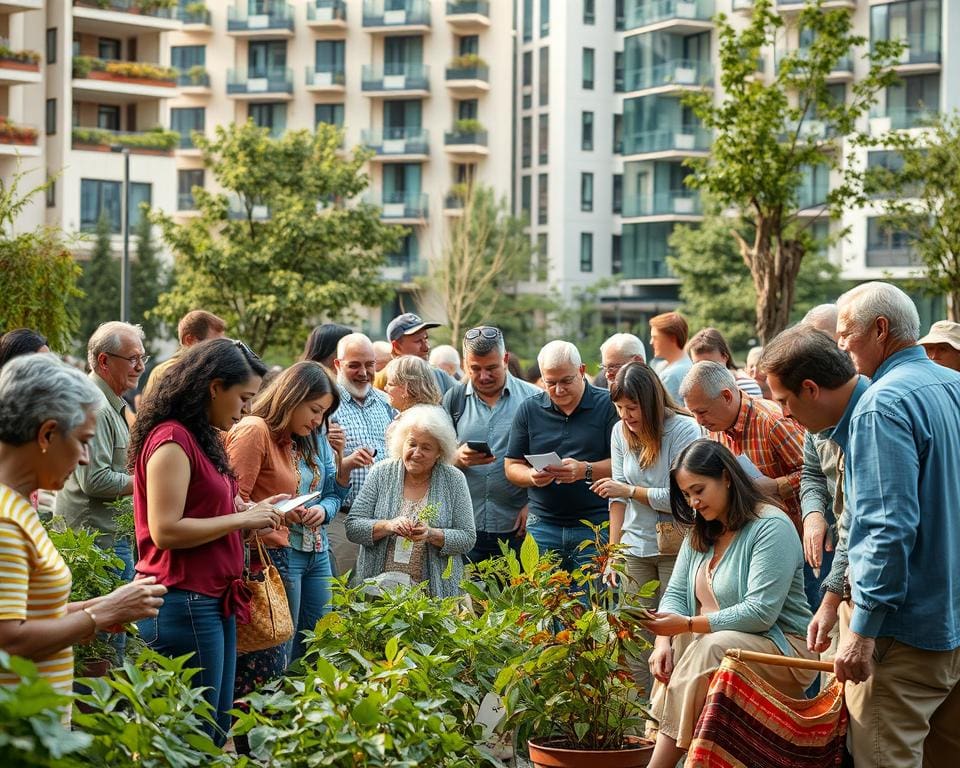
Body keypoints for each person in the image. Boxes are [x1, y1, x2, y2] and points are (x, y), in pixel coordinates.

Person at [129, 338, 287, 744]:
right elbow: (165, 530)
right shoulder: (171, 439)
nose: (247, 410)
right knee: (192, 733)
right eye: (243, 398)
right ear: (214, 387)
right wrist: (241, 517)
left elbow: (215, 511)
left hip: (213, 598)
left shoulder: (204, 437)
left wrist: (256, 514)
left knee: (214, 729)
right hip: (185, 601)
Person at [831, 282, 960, 766]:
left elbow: (887, 527)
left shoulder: (883, 403)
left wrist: (862, 629)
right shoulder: (954, 385)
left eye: (846, 334)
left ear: (880, 330)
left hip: (902, 635)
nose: (841, 346)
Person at [643, 439, 816, 768]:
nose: (693, 502)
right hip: (720, 644)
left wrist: (688, 625)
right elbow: (677, 593)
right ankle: (658, 745)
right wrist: (662, 641)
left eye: (699, 490)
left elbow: (761, 612)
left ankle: (658, 763)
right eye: (686, 495)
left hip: (784, 649)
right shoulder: (703, 528)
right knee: (681, 642)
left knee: (710, 644)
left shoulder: (771, 526)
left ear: (725, 477)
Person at [0, 354, 165, 697]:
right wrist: (101, 613)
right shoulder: (6, 522)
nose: (85, 458)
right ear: (47, 434)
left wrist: (104, 607)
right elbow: (9, 639)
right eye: (83, 441)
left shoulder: (18, 506)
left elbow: (33, 614)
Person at [225, 362, 350, 668]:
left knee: (319, 647)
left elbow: (329, 491)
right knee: (279, 651)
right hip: (274, 554)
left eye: (324, 413)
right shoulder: (255, 431)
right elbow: (230, 503)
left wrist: (318, 508)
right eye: (315, 410)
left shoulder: (305, 436)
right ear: (292, 398)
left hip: (315, 549)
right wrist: (280, 511)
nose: (319, 420)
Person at [758, 326, 869, 664]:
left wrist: (832, 599)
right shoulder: (816, 423)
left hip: (864, 583)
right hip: (844, 568)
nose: (785, 414)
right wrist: (813, 514)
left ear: (810, 389)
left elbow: (864, 519)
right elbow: (811, 472)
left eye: (783, 402)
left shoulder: (873, 421)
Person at [590, 362, 700, 695]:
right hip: (634, 546)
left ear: (650, 403)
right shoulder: (619, 432)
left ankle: (668, 720)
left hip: (675, 547)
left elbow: (685, 498)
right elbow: (616, 499)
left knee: (672, 638)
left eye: (632, 408)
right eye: (620, 408)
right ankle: (638, 724)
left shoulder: (682, 429)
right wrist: (612, 553)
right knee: (634, 639)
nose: (626, 415)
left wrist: (631, 491)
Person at [504, 341, 619, 572]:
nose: (558, 390)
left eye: (566, 381)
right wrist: (531, 476)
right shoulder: (529, 409)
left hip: (595, 524)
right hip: (543, 524)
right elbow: (511, 465)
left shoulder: (609, 405)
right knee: (543, 604)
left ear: (582, 371)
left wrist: (584, 470)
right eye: (550, 383)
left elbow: (626, 464)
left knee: (592, 602)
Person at [345, 405, 476, 597]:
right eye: (412, 444)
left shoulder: (453, 479)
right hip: (379, 591)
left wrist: (431, 534)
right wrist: (388, 526)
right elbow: (353, 527)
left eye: (426, 447)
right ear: (402, 443)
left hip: (435, 593)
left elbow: (467, 538)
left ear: (440, 451)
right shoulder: (381, 473)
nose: (416, 452)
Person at [57, 322, 147, 588]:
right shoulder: (97, 406)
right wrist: (149, 479)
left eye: (143, 358)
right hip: (97, 543)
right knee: (109, 628)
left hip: (107, 539)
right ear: (104, 361)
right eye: (133, 359)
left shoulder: (107, 401)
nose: (140, 367)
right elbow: (94, 480)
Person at [442, 327, 540, 562]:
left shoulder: (534, 400)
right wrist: (456, 458)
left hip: (517, 528)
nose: (484, 376)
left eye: (492, 368)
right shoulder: (453, 401)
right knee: (464, 599)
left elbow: (549, 459)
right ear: (465, 364)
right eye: (475, 369)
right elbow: (435, 460)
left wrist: (535, 506)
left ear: (505, 359)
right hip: (465, 528)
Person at [680, 361, 805, 531]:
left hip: (794, 534)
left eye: (702, 412)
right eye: (693, 413)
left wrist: (777, 486)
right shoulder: (715, 428)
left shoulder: (772, 422)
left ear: (726, 396)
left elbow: (815, 474)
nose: (699, 421)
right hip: (750, 533)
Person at [329, 333, 396, 578]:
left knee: (379, 601)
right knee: (342, 600)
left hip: (384, 522)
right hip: (342, 519)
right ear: (338, 365)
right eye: (354, 365)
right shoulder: (326, 404)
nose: (364, 372)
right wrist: (346, 462)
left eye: (370, 365)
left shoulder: (387, 403)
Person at [142, 310, 226, 400]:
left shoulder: (210, 370)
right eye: (214, 344)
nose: (219, 349)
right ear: (189, 340)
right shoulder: (168, 373)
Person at [385, 313, 456, 393]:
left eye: (426, 338)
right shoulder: (383, 381)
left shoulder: (439, 376)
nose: (426, 347)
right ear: (397, 346)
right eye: (418, 341)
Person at [686, 328, 763, 397]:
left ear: (725, 357)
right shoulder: (695, 391)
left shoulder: (745, 386)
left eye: (711, 364)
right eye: (697, 365)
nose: (704, 371)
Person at [649, 312, 692, 404]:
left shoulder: (671, 375)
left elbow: (667, 413)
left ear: (672, 338)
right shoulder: (688, 364)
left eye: (655, 337)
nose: (651, 342)